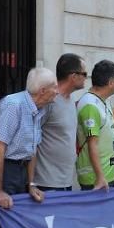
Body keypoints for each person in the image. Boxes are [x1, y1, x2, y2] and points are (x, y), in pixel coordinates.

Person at [0, 67, 58, 209]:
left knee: (17, 212)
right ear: (42, 91)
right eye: (54, 87)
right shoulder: (13, 105)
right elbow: (0, 146)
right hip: (8, 169)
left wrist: (31, 184)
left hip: (22, 170)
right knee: (3, 215)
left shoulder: (39, 109)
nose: (57, 91)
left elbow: (32, 149)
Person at [34, 53, 86, 192]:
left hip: (66, 181)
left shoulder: (70, 100)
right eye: (84, 73)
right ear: (73, 76)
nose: (86, 78)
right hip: (46, 182)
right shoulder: (50, 101)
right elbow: (31, 137)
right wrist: (31, 183)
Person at [75, 60, 114, 191]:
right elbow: (92, 143)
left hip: (108, 174)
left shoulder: (103, 100)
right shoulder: (90, 105)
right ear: (111, 83)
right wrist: (100, 177)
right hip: (95, 179)